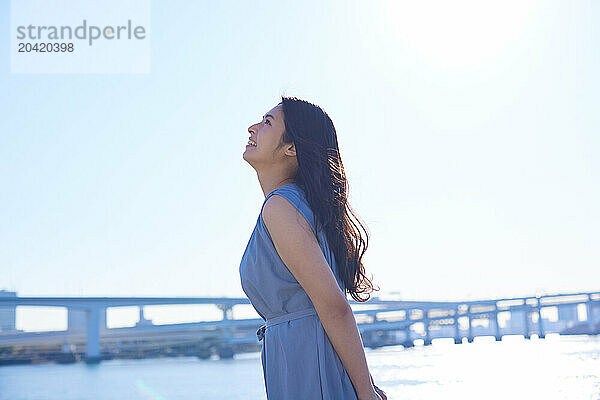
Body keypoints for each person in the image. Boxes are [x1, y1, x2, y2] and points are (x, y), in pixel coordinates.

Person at [239, 96, 387, 400]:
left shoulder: (281, 208)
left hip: (308, 362)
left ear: (291, 147)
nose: (252, 128)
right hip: (301, 359)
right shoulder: (298, 206)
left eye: (267, 123)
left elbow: (333, 306)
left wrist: (366, 392)